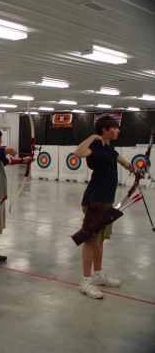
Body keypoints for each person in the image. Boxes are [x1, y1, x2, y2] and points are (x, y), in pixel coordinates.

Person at [73, 116, 132, 299]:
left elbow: (123, 162)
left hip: (107, 201)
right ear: (105, 130)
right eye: (115, 128)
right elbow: (78, 153)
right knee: (91, 240)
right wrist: (93, 137)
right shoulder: (95, 148)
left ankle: (97, 274)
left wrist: (137, 170)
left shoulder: (110, 150)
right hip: (95, 201)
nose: (118, 131)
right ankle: (85, 281)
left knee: (99, 240)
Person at [0, 127, 33, 270]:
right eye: (0, 139)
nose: (2, 141)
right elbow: (8, 150)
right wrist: (12, 150)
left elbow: (7, 162)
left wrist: (24, 160)